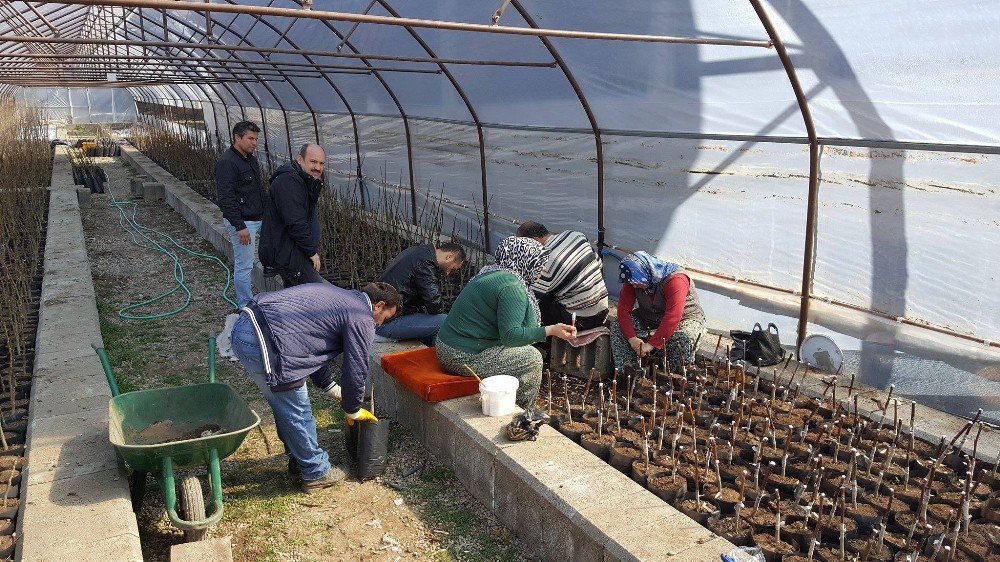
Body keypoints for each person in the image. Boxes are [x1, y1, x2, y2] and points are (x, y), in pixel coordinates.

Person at [230, 281, 400, 493]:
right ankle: (316, 472)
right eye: (385, 318)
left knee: (284, 404)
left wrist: (332, 388)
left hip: (247, 327)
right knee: (298, 411)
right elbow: (356, 366)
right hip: (265, 340)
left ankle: (298, 460)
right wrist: (353, 408)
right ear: (379, 305)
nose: (381, 325)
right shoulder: (361, 316)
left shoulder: (341, 299)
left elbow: (309, 351)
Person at [435, 237, 577, 410]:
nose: (544, 269)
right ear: (525, 261)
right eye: (539, 263)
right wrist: (551, 330)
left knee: (522, 352)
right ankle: (523, 412)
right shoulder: (511, 287)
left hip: (448, 346)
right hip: (460, 356)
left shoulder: (492, 272)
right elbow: (511, 336)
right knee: (532, 359)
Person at [610, 251, 706, 370]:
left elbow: (673, 316)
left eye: (636, 283)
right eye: (631, 283)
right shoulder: (633, 279)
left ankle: (673, 374)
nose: (634, 287)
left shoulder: (676, 280)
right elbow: (623, 309)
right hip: (649, 318)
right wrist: (632, 338)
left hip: (684, 319)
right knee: (617, 326)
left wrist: (650, 345)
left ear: (645, 273)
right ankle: (629, 370)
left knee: (683, 338)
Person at [516, 221, 610, 330]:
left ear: (535, 240)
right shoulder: (575, 235)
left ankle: (544, 339)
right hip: (603, 309)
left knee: (535, 305)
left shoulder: (544, 261)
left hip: (582, 320)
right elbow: (598, 262)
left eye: (523, 245)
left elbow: (530, 300)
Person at [259, 143, 326, 288]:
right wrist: (312, 252)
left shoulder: (302, 180)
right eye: (313, 162)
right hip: (291, 253)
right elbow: (295, 222)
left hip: (295, 250)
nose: (318, 168)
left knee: (295, 296)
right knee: (314, 293)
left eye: (321, 163)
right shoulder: (289, 182)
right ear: (300, 159)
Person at [377, 241, 467, 346]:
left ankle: (436, 354)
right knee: (445, 321)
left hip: (383, 315)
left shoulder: (418, 251)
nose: (448, 274)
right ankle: (443, 356)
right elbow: (434, 305)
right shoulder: (426, 263)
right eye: (452, 269)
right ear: (449, 256)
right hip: (384, 323)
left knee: (434, 330)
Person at [215, 121, 264, 307]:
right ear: (237, 138)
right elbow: (226, 198)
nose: (254, 143)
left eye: (256, 139)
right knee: (245, 265)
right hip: (244, 222)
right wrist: (239, 225)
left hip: (258, 217)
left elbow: (258, 190)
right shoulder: (227, 163)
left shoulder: (250, 158)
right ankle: (245, 305)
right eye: (250, 138)